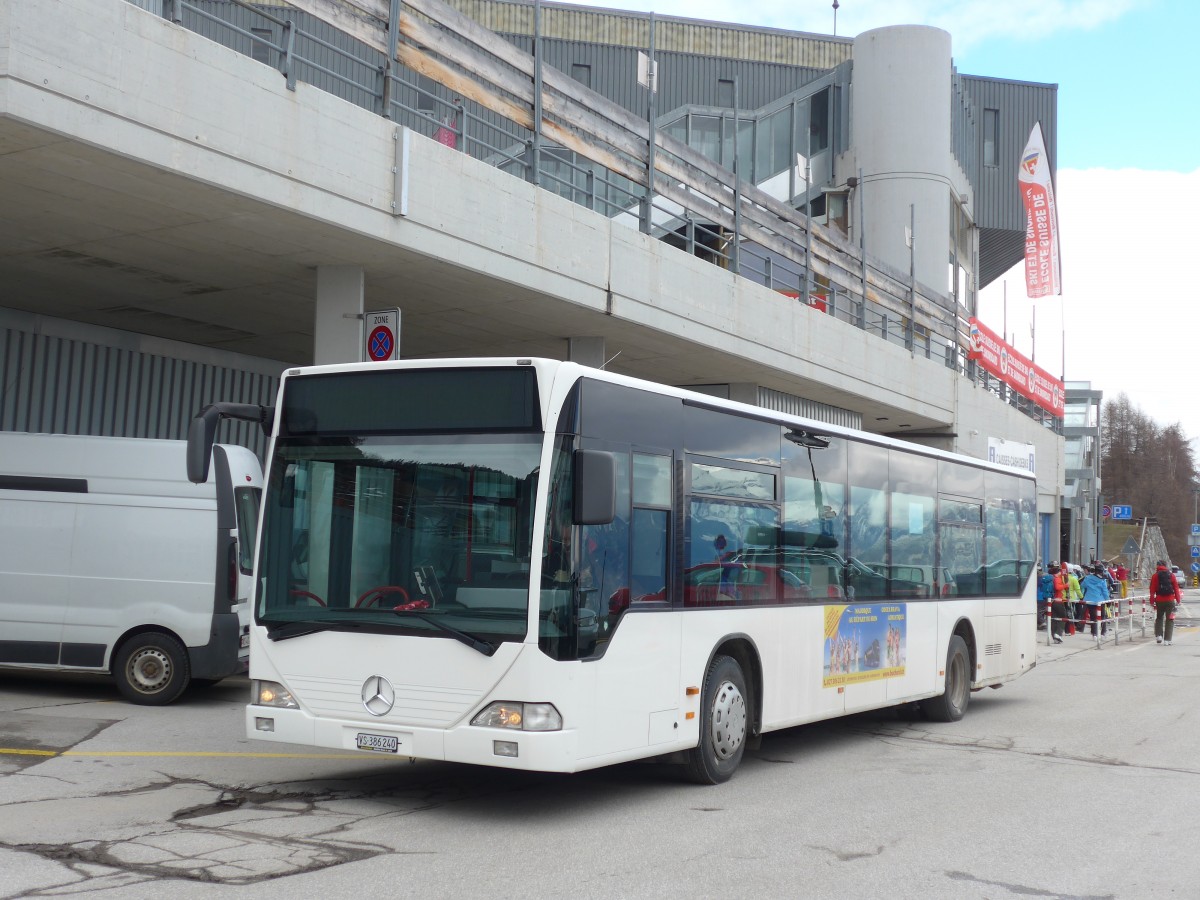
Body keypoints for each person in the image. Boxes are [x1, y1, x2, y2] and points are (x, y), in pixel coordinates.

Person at [1149, 560, 1181, 645]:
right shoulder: (1171, 575)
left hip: (1159, 600)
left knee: (1159, 617)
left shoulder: (1155, 576)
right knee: (1170, 619)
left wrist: (1152, 601)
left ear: (1158, 566)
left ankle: (1159, 635)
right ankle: (1167, 640)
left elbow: (1152, 590)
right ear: (1165, 566)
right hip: (1170, 600)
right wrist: (1178, 600)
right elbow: (1176, 588)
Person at [1079, 564, 1111, 637]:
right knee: (1102, 616)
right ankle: (1103, 632)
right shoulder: (1102, 580)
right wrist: (1108, 600)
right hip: (1100, 600)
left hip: (1090, 600)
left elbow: (1082, 585)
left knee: (1093, 617)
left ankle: (1094, 633)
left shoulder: (1088, 578)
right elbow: (1105, 591)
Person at [1047, 562, 1069, 643]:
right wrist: (1065, 585)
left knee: (1053, 619)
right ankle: (1058, 634)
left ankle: (1054, 637)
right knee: (1063, 617)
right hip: (1058, 600)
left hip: (1050, 601)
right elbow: (1057, 587)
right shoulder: (1057, 578)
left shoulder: (1049, 577)